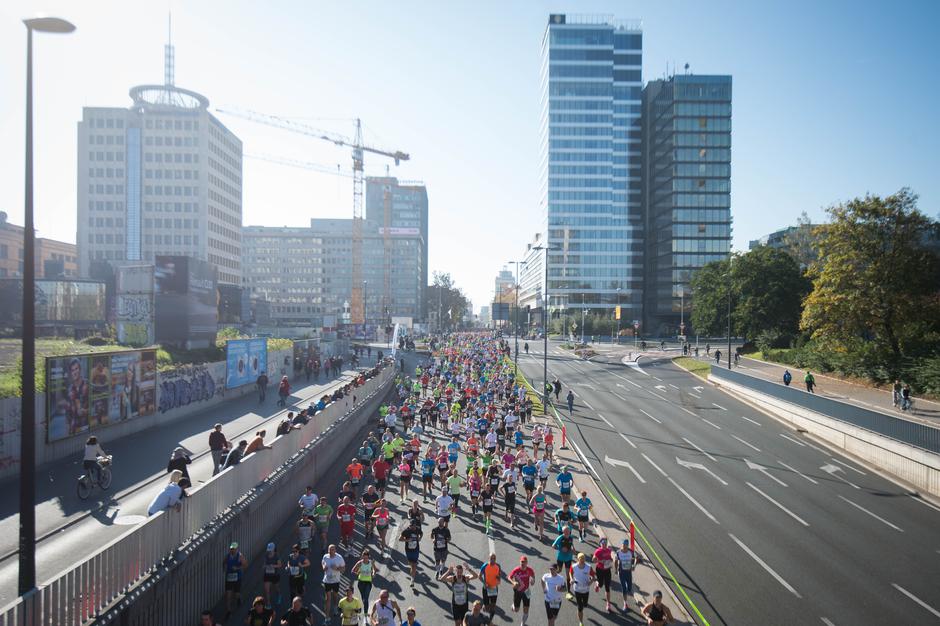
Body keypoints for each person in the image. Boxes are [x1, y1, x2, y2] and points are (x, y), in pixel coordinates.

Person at [223, 542, 249, 620]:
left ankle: (238, 598)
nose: (232, 550)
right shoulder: (227, 556)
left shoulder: (240, 556)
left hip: (237, 578)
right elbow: (224, 562)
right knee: (228, 596)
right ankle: (228, 611)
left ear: (237, 549)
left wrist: (237, 568)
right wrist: (224, 568)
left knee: (236, 594)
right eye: (231, 549)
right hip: (229, 578)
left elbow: (245, 565)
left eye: (233, 549)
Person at [569, 553, 595, 626]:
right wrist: (571, 579)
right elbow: (570, 573)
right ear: (577, 559)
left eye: (583, 559)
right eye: (580, 559)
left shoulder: (588, 567)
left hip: (586, 589)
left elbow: (593, 576)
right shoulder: (573, 566)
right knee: (580, 607)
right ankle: (581, 622)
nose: (582, 560)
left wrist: (591, 581)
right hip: (577, 589)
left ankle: (583, 606)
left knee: (585, 604)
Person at [321, 544, 346, 619]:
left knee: (335, 596)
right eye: (329, 549)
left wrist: (337, 569)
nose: (331, 551)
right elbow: (323, 563)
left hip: (335, 581)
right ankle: (327, 617)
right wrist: (324, 567)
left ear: (335, 550)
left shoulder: (339, 558)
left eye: (332, 549)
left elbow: (343, 569)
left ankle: (335, 607)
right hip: (327, 581)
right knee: (328, 598)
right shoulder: (325, 556)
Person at [509, 555, 535, 622]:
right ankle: (514, 605)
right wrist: (513, 582)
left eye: (524, 562)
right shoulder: (516, 570)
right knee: (516, 610)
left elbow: (533, 575)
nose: (523, 563)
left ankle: (522, 623)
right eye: (522, 562)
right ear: (520, 562)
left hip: (527, 591)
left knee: (526, 609)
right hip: (518, 591)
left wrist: (533, 580)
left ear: (527, 563)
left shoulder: (529, 570)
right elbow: (509, 577)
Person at [552, 527, 575, 598]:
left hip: (568, 558)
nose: (567, 532)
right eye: (565, 531)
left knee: (568, 574)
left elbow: (571, 545)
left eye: (568, 531)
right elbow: (553, 546)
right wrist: (560, 549)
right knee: (559, 570)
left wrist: (573, 550)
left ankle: (568, 591)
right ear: (563, 532)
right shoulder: (560, 538)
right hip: (560, 558)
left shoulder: (571, 537)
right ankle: (552, 579)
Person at [399, 519, 424, 587]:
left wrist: (420, 538)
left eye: (413, 526)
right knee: (411, 564)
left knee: (414, 565)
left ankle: (412, 580)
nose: (412, 527)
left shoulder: (417, 529)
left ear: (415, 525)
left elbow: (421, 533)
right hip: (408, 550)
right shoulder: (406, 531)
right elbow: (400, 539)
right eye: (411, 526)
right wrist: (407, 540)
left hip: (416, 550)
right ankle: (412, 570)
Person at [615, 538, 637, 612]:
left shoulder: (631, 552)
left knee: (629, 588)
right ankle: (625, 603)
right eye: (623, 545)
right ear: (621, 545)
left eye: (626, 545)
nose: (624, 546)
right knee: (624, 588)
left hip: (628, 573)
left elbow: (636, 558)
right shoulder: (618, 552)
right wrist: (616, 569)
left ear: (628, 545)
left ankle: (628, 588)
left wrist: (634, 565)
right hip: (622, 572)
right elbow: (616, 561)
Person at [593, 537, 614, 613]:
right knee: (601, 584)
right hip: (600, 570)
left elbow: (610, 558)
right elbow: (593, 560)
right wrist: (600, 560)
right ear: (600, 544)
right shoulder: (598, 551)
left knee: (607, 587)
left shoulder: (609, 550)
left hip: (607, 570)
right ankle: (597, 584)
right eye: (603, 543)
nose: (604, 545)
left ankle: (608, 604)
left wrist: (610, 560)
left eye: (605, 543)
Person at [478, 553, 503, 618]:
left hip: (494, 588)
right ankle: (485, 606)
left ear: (495, 559)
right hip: (486, 588)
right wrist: (484, 583)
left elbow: (499, 576)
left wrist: (498, 578)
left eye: (494, 558)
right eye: (491, 558)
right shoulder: (485, 566)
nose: (492, 560)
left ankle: (490, 619)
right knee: (486, 608)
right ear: (489, 558)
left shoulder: (498, 566)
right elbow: (479, 576)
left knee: (493, 606)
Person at [261, 542, 282, 609]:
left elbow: (280, 565)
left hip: (275, 575)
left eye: (270, 550)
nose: (269, 551)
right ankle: (268, 604)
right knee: (267, 590)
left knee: (276, 588)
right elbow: (264, 565)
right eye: (268, 550)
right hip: (267, 575)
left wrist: (273, 566)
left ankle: (279, 595)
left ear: (273, 549)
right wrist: (265, 566)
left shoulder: (276, 556)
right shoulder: (266, 555)